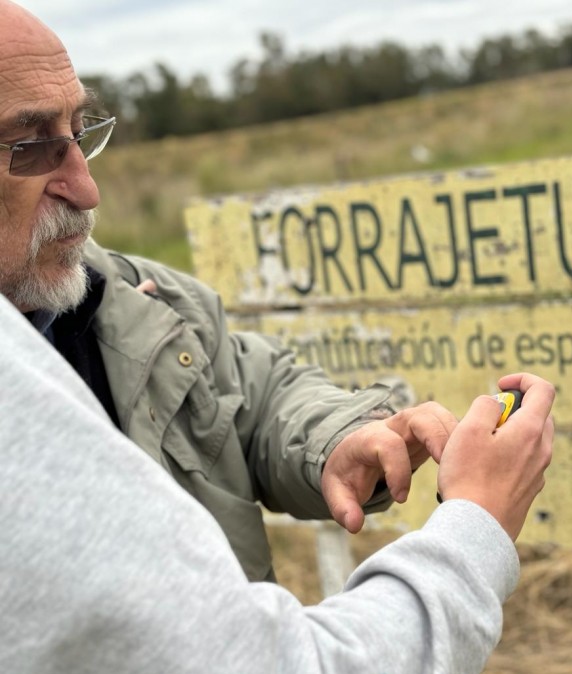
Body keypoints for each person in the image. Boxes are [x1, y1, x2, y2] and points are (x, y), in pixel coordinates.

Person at [0, 291, 554, 674]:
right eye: (36, 191)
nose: (87, 196)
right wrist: (476, 523)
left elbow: (242, 388)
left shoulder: (104, 281)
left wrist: (335, 438)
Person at [0, 0, 475, 582]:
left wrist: (339, 439)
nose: (86, 189)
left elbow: (254, 396)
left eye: (79, 135)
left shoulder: (135, 300)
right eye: (30, 148)